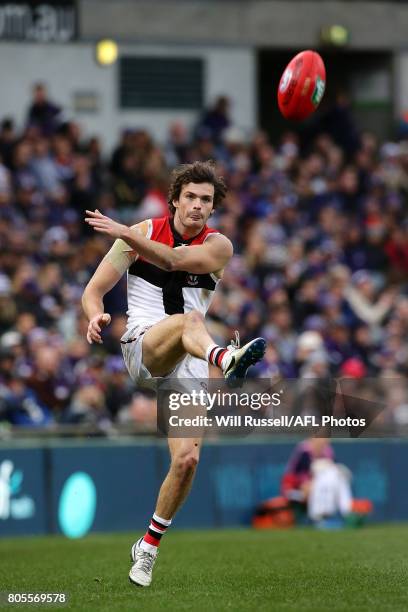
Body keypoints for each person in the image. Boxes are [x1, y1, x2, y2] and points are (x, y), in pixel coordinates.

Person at [82, 160, 266, 587]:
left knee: (186, 460)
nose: (199, 206)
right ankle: (227, 360)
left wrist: (125, 232)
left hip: (189, 360)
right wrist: (95, 317)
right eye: (191, 197)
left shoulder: (219, 247)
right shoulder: (142, 232)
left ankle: (147, 546)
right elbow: (93, 292)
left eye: (206, 200)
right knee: (189, 323)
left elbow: (172, 258)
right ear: (175, 199)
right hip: (145, 346)